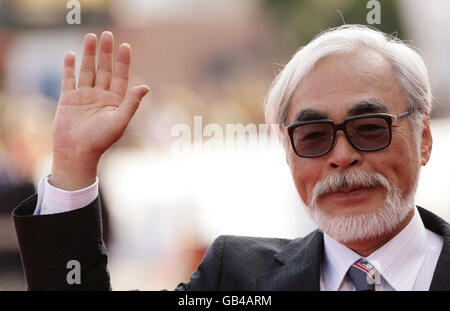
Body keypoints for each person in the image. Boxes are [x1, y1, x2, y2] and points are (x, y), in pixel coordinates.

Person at [12, 25, 449, 291]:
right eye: (313, 136)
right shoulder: (236, 278)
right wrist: (72, 162)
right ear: (289, 154)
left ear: (424, 138)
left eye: (369, 128)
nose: (342, 155)